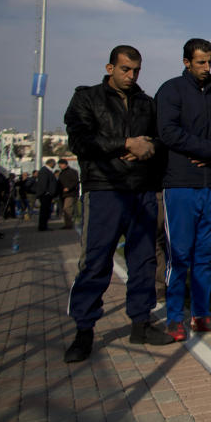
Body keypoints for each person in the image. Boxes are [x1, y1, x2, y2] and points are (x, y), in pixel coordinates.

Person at [63, 44, 175, 362]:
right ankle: (84, 330)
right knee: (96, 262)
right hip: (105, 189)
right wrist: (125, 144)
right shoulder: (86, 98)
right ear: (110, 68)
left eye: (136, 70)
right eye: (125, 69)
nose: (131, 75)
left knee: (143, 261)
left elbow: (162, 140)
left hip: (142, 190)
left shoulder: (146, 103)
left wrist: (148, 146)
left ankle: (140, 323)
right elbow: (80, 140)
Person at [156, 38, 211, 340]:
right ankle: (174, 317)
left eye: (210, 61)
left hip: (210, 185)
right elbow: (168, 132)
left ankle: (201, 314)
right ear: (187, 62)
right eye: (201, 62)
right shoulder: (171, 89)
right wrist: (208, 150)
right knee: (180, 254)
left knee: (206, 254)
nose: (206, 67)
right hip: (181, 184)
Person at [34, 158, 58, 231]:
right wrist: (47, 192)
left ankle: (44, 225)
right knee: (44, 211)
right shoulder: (44, 171)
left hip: (47, 194)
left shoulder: (47, 171)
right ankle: (42, 226)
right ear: (50, 163)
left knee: (46, 211)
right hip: (45, 195)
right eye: (54, 163)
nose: (55, 165)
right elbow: (44, 183)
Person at [57, 159, 79, 229]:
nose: (59, 166)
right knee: (65, 209)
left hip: (70, 194)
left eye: (61, 164)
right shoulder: (61, 173)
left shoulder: (72, 172)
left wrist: (69, 188)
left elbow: (75, 181)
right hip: (63, 194)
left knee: (67, 208)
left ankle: (69, 224)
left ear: (65, 164)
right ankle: (67, 224)